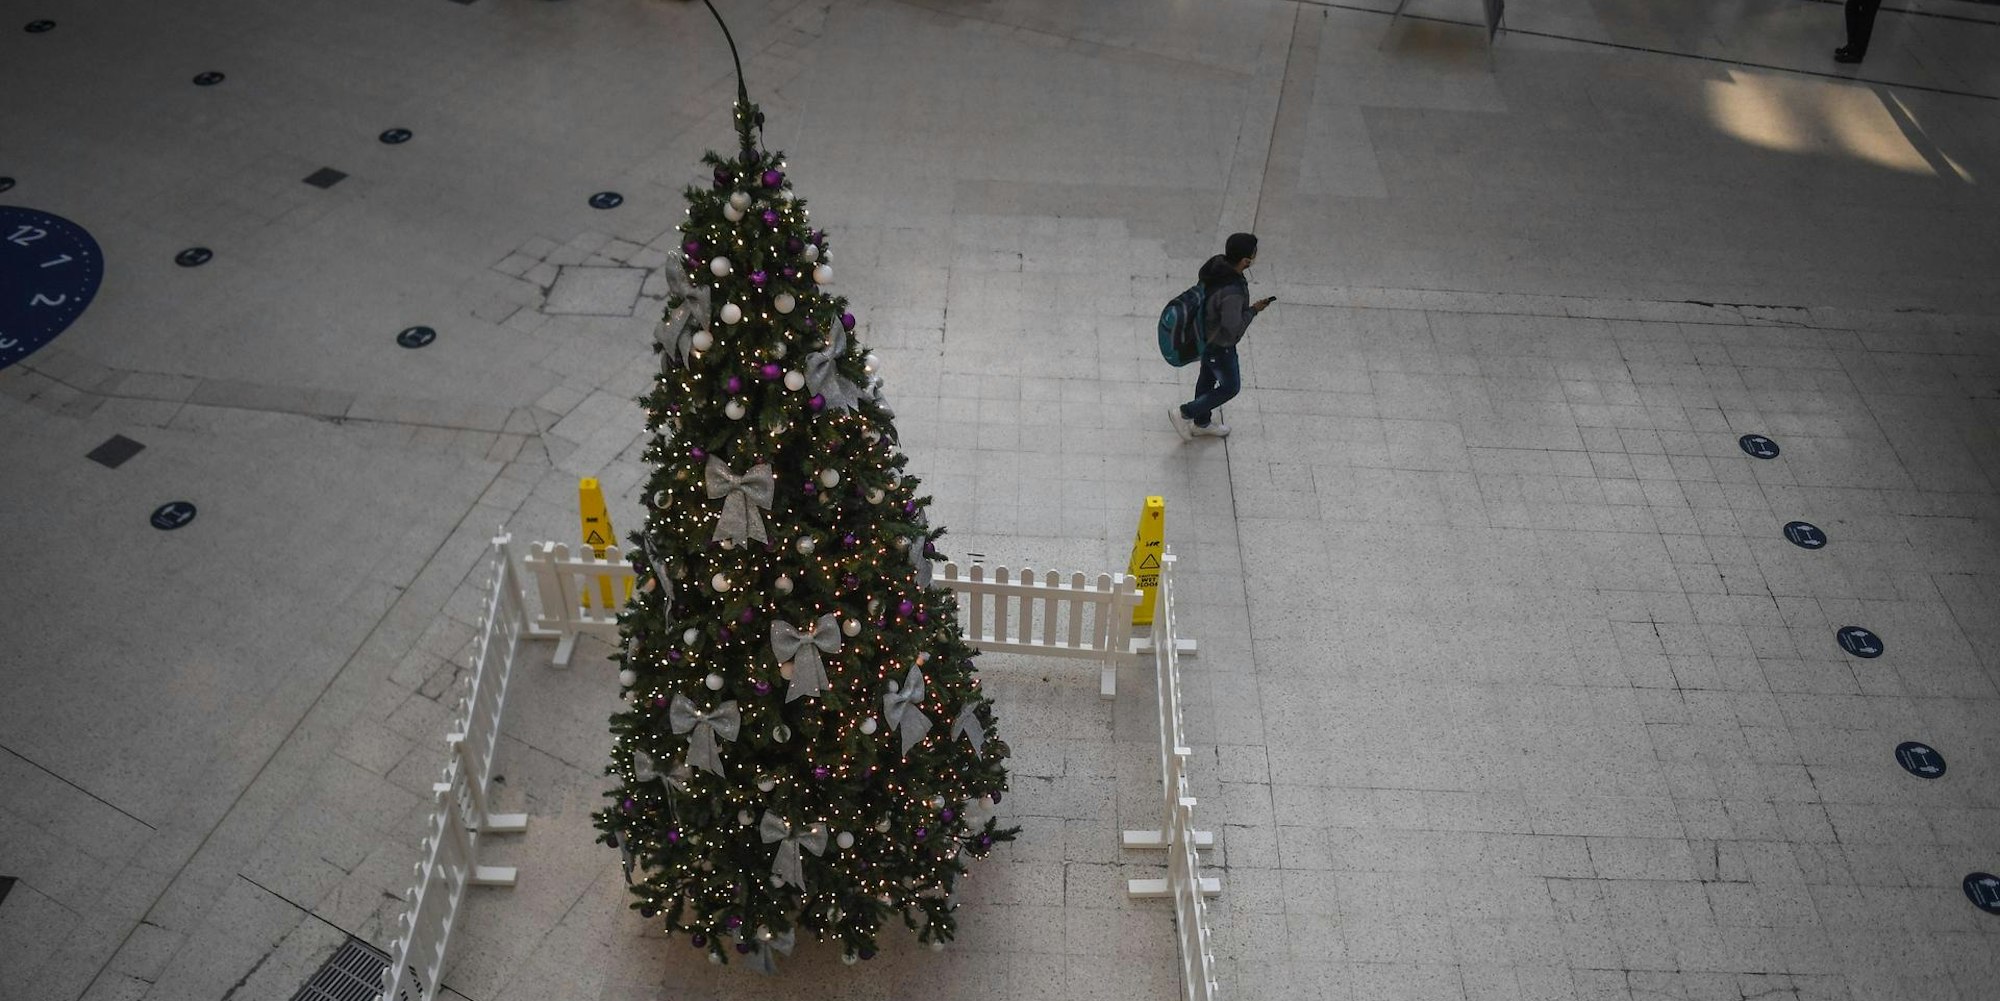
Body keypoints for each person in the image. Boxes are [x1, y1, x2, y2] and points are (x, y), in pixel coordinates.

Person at [1169, 232, 1273, 439]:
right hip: (1220, 344)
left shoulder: (1217, 267)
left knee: (1207, 378)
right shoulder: (1232, 292)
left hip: (1206, 337)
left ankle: (1201, 423)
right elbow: (1232, 327)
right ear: (1245, 260)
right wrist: (1252, 311)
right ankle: (1185, 413)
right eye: (1254, 253)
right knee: (1230, 387)